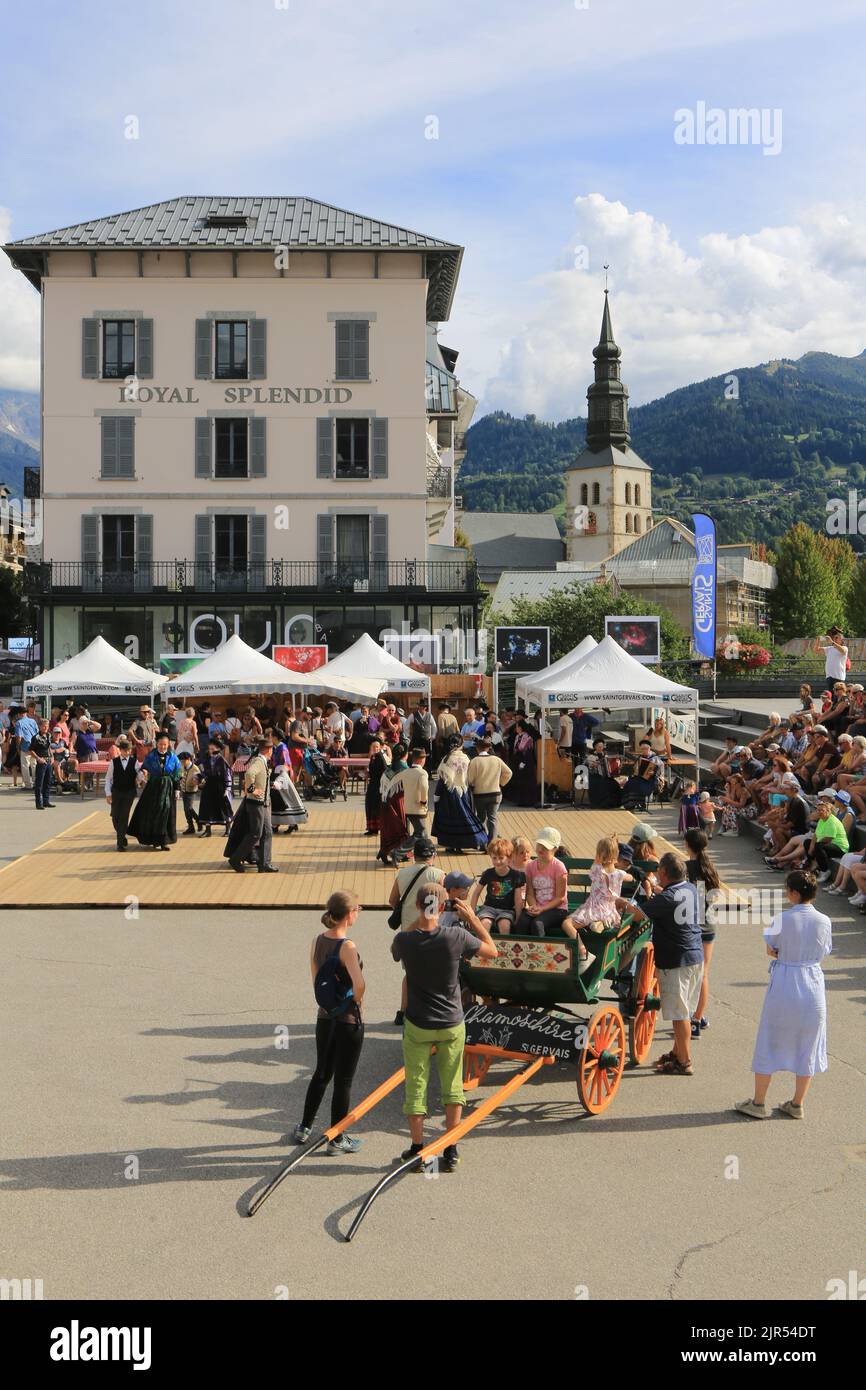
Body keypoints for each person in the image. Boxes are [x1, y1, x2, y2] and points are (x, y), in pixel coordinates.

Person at [390, 880, 497, 1172]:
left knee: (416, 1086)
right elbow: (492, 951)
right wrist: (473, 919)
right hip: (451, 1022)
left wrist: (421, 917)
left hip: (418, 1023)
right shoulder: (456, 936)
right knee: (452, 1086)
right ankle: (450, 1150)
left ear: (417, 906)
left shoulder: (404, 941)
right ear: (442, 907)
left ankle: (417, 1149)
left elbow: (399, 946)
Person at [735, 871, 831, 1120]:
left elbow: (772, 948)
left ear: (795, 893)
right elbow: (825, 950)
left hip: (786, 982)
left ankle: (758, 1102)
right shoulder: (824, 921)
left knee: (769, 1039)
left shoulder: (782, 918)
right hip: (813, 983)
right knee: (808, 1044)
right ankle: (797, 1104)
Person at [291, 890, 366, 1153]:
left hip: (324, 1017)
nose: (358, 912)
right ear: (349, 914)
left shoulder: (317, 941)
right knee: (343, 1080)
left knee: (322, 1072)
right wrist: (353, 1002)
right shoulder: (347, 946)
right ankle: (337, 1138)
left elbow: (316, 981)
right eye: (358, 908)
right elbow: (359, 985)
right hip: (348, 1020)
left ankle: (304, 1127)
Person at [621, 852, 702, 1076]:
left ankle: (684, 1062)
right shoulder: (690, 889)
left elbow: (638, 915)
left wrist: (620, 903)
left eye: (658, 871)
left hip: (676, 961)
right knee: (683, 1011)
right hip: (695, 956)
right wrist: (658, 891)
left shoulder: (666, 898)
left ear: (664, 872)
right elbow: (669, 900)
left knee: (679, 1015)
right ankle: (678, 1053)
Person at [388, 837, 445, 1026]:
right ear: (433, 855)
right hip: (432, 929)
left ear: (413, 855)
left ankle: (402, 1012)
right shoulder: (439, 875)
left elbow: (392, 900)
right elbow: (444, 901)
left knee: (410, 974)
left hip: (408, 931)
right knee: (434, 972)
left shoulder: (402, 874)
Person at [683, 829, 721, 1039]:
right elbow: (714, 896)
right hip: (709, 924)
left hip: (690, 925)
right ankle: (698, 1018)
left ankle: (692, 1018)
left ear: (687, 845)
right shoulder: (710, 867)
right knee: (703, 973)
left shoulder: (685, 868)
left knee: (689, 974)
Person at [224, 740, 276, 873]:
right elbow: (249, 774)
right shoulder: (259, 761)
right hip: (256, 803)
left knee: (267, 832)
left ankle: (264, 863)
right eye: (272, 749)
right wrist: (252, 790)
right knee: (255, 834)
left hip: (263, 803)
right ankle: (235, 859)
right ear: (268, 750)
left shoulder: (262, 761)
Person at [430, 737, 488, 854]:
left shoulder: (446, 759)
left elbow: (442, 780)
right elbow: (471, 776)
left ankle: (452, 845)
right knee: (466, 818)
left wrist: (436, 796)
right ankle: (474, 841)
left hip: (449, 794)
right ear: (461, 745)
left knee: (451, 820)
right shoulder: (467, 758)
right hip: (464, 792)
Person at [128, 733, 182, 850]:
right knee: (152, 812)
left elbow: (177, 774)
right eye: (161, 744)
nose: (163, 747)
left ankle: (163, 841)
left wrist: (177, 789)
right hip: (153, 787)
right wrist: (142, 773)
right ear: (157, 744)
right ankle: (153, 839)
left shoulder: (173, 757)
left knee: (165, 813)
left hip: (167, 787)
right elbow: (145, 768)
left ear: (168, 744)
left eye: (165, 744)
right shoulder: (151, 756)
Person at [516, 827, 570, 936]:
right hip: (538, 907)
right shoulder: (530, 866)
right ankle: (522, 947)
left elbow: (560, 898)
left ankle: (542, 948)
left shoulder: (559, 867)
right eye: (539, 844)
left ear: (555, 849)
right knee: (522, 922)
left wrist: (542, 909)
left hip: (558, 910)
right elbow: (530, 893)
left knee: (537, 924)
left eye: (545, 847)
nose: (540, 849)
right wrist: (534, 907)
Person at [471, 837, 527, 935]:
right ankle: (484, 944)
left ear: (509, 858)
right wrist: (472, 913)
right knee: (485, 923)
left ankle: (504, 945)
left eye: (501, 858)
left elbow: (518, 899)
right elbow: (476, 893)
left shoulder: (516, 876)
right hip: (488, 908)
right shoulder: (488, 873)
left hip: (507, 910)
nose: (497, 861)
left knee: (504, 925)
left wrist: (518, 917)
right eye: (494, 858)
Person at [466, 736, 512, 842]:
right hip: (495, 793)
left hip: (480, 795)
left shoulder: (474, 761)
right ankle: (492, 842)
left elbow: (470, 779)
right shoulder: (497, 759)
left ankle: (482, 842)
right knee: (493, 818)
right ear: (488, 748)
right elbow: (508, 772)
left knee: (481, 818)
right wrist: (500, 783)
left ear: (477, 748)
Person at [104, 735, 139, 850]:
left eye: (129, 750)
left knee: (124, 816)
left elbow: (139, 775)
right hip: (116, 792)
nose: (127, 752)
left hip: (129, 792)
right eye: (125, 750)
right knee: (115, 817)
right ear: (120, 750)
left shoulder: (134, 762)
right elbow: (108, 778)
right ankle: (122, 835)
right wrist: (108, 794)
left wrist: (141, 777)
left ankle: (120, 843)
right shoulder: (113, 762)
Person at [391, 747, 429, 853]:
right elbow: (424, 787)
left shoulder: (405, 772)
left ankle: (421, 852)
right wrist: (423, 801)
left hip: (407, 807)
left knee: (422, 833)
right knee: (420, 833)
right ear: (421, 760)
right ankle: (399, 851)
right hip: (418, 808)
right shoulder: (422, 773)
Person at [377, 742, 410, 866]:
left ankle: (385, 850)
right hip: (398, 802)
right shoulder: (404, 768)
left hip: (385, 800)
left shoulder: (390, 768)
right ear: (405, 755)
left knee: (388, 828)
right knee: (400, 828)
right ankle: (400, 853)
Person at [197, 737, 234, 836]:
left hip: (220, 785)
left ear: (218, 749)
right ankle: (207, 830)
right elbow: (204, 772)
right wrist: (198, 777)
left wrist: (227, 788)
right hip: (209, 785)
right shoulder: (206, 759)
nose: (210, 751)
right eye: (209, 749)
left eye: (212, 749)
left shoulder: (222, 760)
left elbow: (227, 774)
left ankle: (228, 828)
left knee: (224, 806)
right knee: (207, 806)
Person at [508, 716, 539, 806]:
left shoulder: (527, 737)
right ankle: (520, 800)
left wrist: (523, 762)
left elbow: (526, 750)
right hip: (517, 759)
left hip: (526, 759)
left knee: (527, 781)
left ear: (521, 727)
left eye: (517, 727)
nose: (516, 728)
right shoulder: (517, 736)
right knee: (519, 781)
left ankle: (528, 801)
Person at [364, 738, 388, 835]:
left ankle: (376, 828)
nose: (375, 748)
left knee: (375, 807)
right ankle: (371, 828)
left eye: (377, 747)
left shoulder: (380, 757)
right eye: (373, 747)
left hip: (378, 785)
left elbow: (385, 770)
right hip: (372, 784)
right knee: (370, 805)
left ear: (380, 747)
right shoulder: (373, 757)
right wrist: (368, 773)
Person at [30, 718, 56, 810]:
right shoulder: (36, 737)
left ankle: (46, 801)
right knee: (39, 783)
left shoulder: (48, 735)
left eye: (47, 726)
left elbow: (49, 747)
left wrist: (52, 756)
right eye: (44, 726)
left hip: (49, 761)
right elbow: (31, 750)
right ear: (40, 726)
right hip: (41, 761)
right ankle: (39, 803)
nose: (46, 728)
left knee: (48, 782)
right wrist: (38, 758)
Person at [14, 704, 39, 791]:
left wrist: (18, 747)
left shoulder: (19, 723)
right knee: (34, 765)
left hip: (25, 746)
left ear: (19, 714)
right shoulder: (33, 721)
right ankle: (36, 783)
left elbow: (19, 737)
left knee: (25, 766)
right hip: (35, 745)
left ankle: (28, 785)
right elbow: (37, 733)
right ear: (26, 713)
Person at [818, 626, 848, 694]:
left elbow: (843, 651)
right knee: (831, 696)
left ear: (841, 639)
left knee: (838, 696)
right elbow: (816, 650)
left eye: (837, 638)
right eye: (834, 638)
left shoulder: (844, 648)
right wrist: (818, 640)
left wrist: (832, 642)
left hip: (838, 677)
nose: (835, 639)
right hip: (829, 676)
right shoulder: (829, 648)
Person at [177, 750, 201, 835]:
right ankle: (191, 827)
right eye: (181, 761)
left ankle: (198, 821)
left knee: (188, 808)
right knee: (186, 809)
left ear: (188, 759)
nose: (182, 763)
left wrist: (195, 782)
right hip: (184, 790)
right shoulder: (182, 767)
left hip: (191, 791)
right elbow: (180, 776)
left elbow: (199, 780)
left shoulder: (195, 768)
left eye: (183, 761)